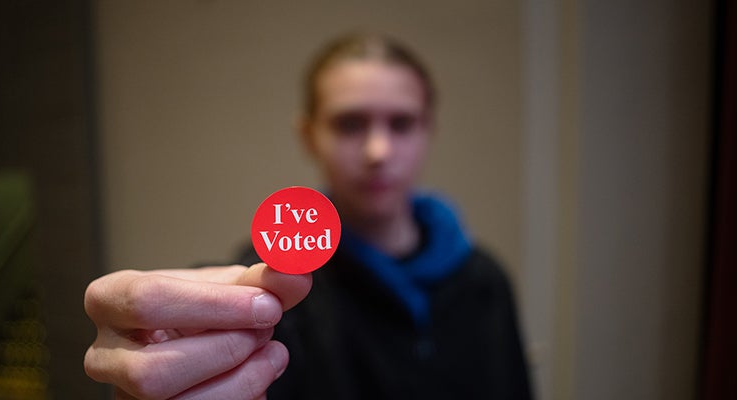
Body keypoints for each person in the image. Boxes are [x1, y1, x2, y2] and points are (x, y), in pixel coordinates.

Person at [84, 33, 532, 400]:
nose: (379, 151)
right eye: (350, 124)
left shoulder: (486, 281)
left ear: (428, 131)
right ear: (309, 136)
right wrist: (165, 342)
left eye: (401, 123)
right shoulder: (273, 291)